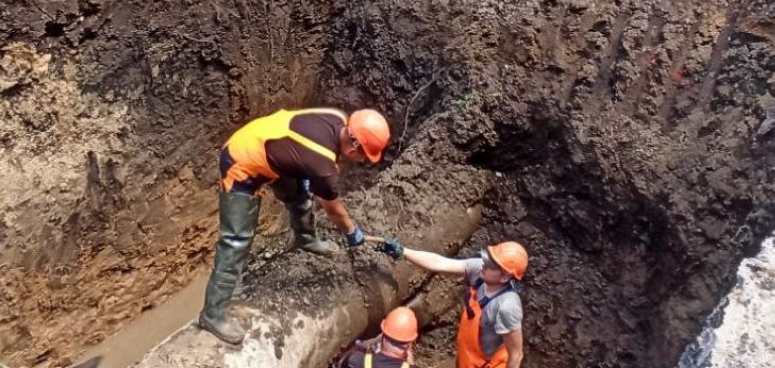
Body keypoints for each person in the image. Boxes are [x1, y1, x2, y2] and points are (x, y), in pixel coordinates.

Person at [199, 107, 391, 345]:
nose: (363, 161)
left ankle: (306, 239)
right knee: (235, 241)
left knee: (300, 199)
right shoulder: (322, 167)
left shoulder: (337, 118)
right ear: (353, 147)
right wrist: (352, 231)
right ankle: (212, 314)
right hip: (241, 161)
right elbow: (333, 209)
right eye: (365, 156)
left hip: (274, 149)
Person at [376, 239, 528, 368]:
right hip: (467, 358)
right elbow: (439, 263)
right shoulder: (481, 272)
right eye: (489, 259)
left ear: (504, 277)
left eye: (492, 265)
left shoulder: (507, 308)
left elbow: (516, 354)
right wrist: (403, 251)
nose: (485, 264)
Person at [342, 306, 420, 368]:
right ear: (408, 345)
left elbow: (342, 359)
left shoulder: (356, 361)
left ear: (382, 336)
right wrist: (412, 364)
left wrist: (361, 346)